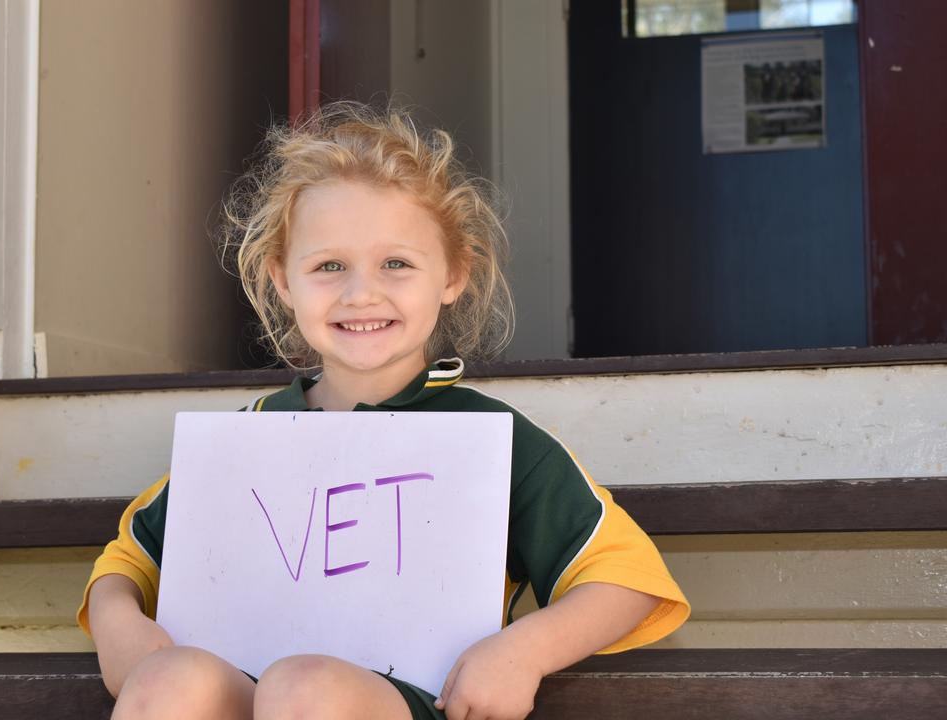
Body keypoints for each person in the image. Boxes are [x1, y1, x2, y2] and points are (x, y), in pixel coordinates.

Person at [77, 101, 690, 720]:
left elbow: (629, 579)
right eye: (328, 266)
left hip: (406, 703)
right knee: (169, 680)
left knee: (303, 688)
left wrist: (524, 650)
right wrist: (116, 622)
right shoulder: (247, 440)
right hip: (243, 697)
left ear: (453, 274)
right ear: (283, 281)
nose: (360, 292)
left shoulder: (491, 441)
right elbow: (130, 559)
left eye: (395, 263)